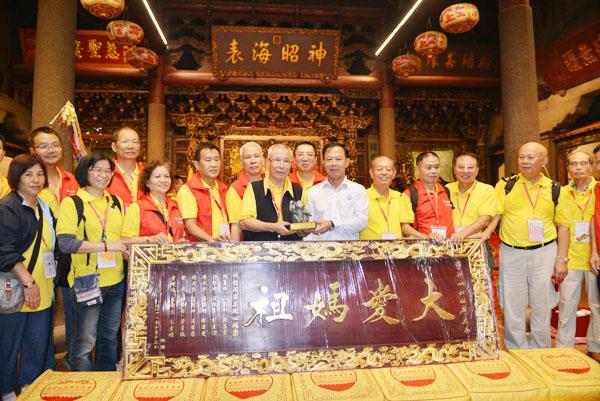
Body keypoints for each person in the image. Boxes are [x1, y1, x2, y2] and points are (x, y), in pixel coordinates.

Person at [56, 152, 128, 371]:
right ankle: (83, 383)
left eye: (108, 171)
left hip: (115, 281)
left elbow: (121, 240)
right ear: (85, 171)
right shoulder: (73, 203)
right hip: (86, 281)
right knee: (85, 342)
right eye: (97, 170)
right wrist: (106, 246)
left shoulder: (116, 202)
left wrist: (147, 241)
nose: (103, 175)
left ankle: (106, 381)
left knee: (109, 338)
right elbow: (66, 243)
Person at [495, 142, 570, 349]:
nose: (525, 161)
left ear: (544, 161)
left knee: (542, 302)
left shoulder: (555, 189)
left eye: (530, 157)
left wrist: (561, 259)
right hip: (511, 251)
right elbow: (494, 216)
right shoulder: (506, 186)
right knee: (512, 303)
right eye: (521, 157)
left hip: (544, 252)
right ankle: (516, 348)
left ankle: (540, 348)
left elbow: (563, 227)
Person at [0, 155, 55, 401]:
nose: (36, 180)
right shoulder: (8, 207)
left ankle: (29, 389)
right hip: (18, 287)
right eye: (28, 174)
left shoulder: (43, 206)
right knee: (9, 346)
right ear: (16, 177)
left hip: (43, 286)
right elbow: (5, 250)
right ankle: (7, 392)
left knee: (36, 345)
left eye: (40, 174)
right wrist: (28, 282)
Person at [28, 126, 79, 367]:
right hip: (41, 255)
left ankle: (72, 359)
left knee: (73, 307)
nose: (50, 150)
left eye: (55, 145)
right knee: (42, 311)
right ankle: (43, 365)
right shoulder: (27, 181)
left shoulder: (71, 178)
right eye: (43, 146)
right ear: (32, 150)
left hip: (69, 254)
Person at [560, 151, 599, 360]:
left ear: (591, 166)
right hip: (572, 257)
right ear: (568, 169)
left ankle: (595, 347)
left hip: (596, 257)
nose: (578, 167)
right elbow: (563, 227)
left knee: (597, 306)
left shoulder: (598, 189)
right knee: (566, 305)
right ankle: (564, 349)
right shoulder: (563, 193)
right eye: (574, 164)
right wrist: (561, 258)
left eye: (583, 163)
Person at [304, 143, 368, 241]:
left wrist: (332, 224)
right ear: (323, 162)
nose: (334, 163)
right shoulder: (313, 192)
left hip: (348, 247)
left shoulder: (358, 190)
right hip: (320, 248)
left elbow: (361, 221)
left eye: (338, 159)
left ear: (347, 162)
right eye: (329, 159)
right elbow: (309, 224)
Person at [239, 144, 303, 241]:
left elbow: (305, 222)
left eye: (286, 161)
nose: (281, 166)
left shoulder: (299, 191)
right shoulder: (254, 188)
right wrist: (273, 227)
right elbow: (244, 223)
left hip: (292, 247)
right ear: (268, 163)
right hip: (261, 248)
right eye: (277, 160)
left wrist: (297, 228)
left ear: (291, 165)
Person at [176, 143, 230, 242]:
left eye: (216, 160)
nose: (213, 164)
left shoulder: (224, 189)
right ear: (197, 165)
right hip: (201, 247)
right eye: (208, 160)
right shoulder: (188, 190)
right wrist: (212, 241)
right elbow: (190, 225)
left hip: (224, 244)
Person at [122, 161, 185, 243]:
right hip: (149, 252)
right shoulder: (137, 207)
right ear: (147, 182)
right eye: (157, 177)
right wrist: (150, 239)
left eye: (166, 176)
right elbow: (125, 240)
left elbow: (181, 234)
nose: (163, 180)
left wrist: (181, 242)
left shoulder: (176, 206)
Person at [402, 151, 454, 240]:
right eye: (428, 168)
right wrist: (426, 237)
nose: (434, 171)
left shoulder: (445, 191)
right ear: (417, 169)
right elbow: (405, 227)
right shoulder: (410, 194)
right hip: (424, 245)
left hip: (448, 244)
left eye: (437, 167)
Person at [359, 156, 414, 240]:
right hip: (369, 247)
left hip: (396, 247)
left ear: (394, 174)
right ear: (371, 173)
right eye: (379, 169)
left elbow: (405, 228)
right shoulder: (361, 196)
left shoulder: (400, 197)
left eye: (388, 170)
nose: (384, 173)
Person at [226, 142, 264, 241]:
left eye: (256, 156)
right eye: (247, 157)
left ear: (263, 160)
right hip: (247, 243)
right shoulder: (235, 189)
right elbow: (235, 226)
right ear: (241, 162)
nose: (253, 161)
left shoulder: (268, 184)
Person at [107, 126, 143, 208]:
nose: (130, 146)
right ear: (114, 146)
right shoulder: (105, 173)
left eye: (135, 142)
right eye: (125, 141)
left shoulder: (148, 174)